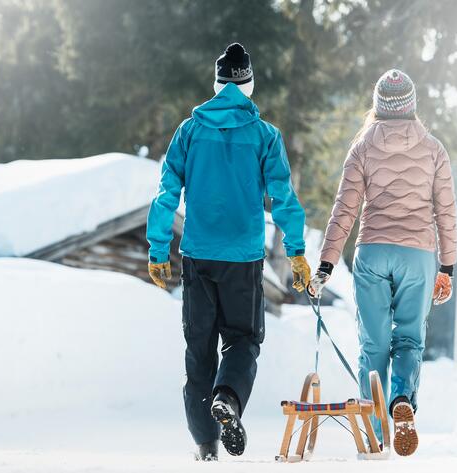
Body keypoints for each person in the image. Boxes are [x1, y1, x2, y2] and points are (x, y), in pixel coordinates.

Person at [146, 43, 310, 461]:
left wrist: (158, 249)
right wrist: (295, 253)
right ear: (248, 85)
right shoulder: (264, 136)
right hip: (243, 260)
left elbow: (166, 193)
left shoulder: (189, 131)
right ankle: (229, 400)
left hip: (198, 257)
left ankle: (206, 446)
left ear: (217, 85)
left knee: (199, 347)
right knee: (242, 340)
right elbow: (283, 199)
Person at [308, 69, 457, 457]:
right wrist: (448, 268)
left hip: (372, 252)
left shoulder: (361, 148)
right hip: (419, 255)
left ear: (378, 106)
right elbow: (447, 214)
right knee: (408, 337)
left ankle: (374, 437)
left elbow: (344, 210)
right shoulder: (434, 149)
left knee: (372, 344)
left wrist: (325, 265)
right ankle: (401, 399)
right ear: (411, 107)